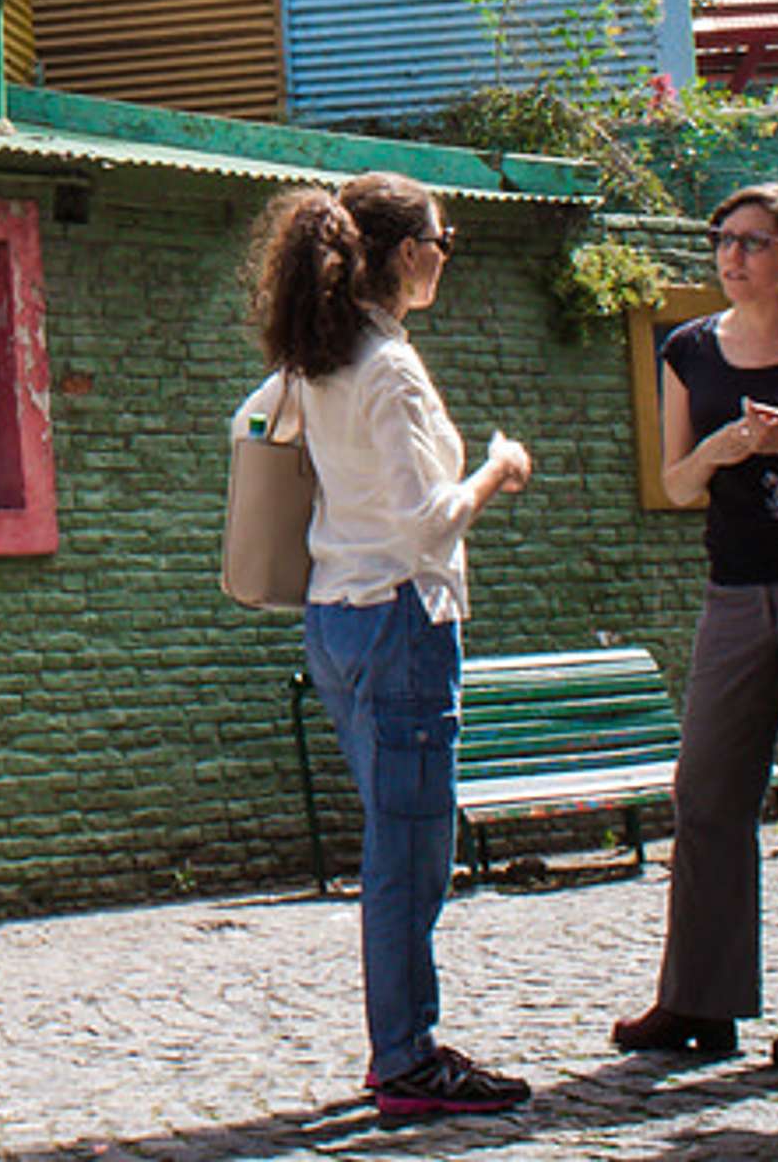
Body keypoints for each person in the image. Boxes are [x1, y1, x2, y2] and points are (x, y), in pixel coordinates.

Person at [246, 171, 534, 1119]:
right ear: (409, 253)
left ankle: (402, 1049)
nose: (444, 257)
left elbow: (252, 425)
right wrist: (497, 467)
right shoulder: (388, 368)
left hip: (334, 615)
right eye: (442, 242)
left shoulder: (316, 355)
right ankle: (406, 1060)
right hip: (401, 619)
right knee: (410, 855)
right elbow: (428, 525)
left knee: (392, 841)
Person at [614, 184, 778, 1070]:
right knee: (708, 791)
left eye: (754, 242)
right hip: (733, 593)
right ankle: (698, 1002)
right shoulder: (687, 349)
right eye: (724, 239)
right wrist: (714, 453)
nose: (732, 256)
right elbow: (677, 483)